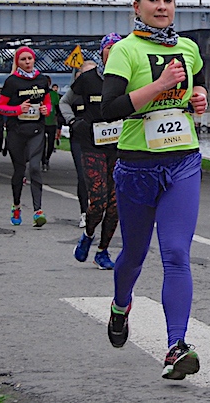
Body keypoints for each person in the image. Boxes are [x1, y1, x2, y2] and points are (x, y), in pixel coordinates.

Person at [100, 0, 208, 381]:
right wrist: (160, 85)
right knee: (134, 254)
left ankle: (176, 346)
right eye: (153, 0)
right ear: (137, 7)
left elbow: (198, 88)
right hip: (137, 165)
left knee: (176, 253)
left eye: (168, 0)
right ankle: (120, 304)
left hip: (183, 160)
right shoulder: (125, 51)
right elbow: (109, 108)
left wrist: (199, 98)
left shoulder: (189, 49)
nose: (162, 7)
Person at [71, 33, 124, 270]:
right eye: (109, 48)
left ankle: (102, 251)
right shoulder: (88, 78)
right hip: (92, 146)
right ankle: (88, 234)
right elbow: (65, 102)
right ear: (102, 52)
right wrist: (74, 122)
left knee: (115, 206)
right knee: (99, 201)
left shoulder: (128, 78)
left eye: (117, 48)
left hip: (119, 148)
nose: (113, 52)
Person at [0, 47, 52, 227]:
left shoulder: (41, 80)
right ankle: (16, 205)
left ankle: (38, 211)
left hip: (36, 129)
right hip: (16, 131)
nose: (27, 62)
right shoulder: (12, 82)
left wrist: (45, 110)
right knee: (19, 171)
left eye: (30, 58)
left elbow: (47, 103)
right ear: (17, 62)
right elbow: (0, 107)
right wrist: (17, 110)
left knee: (35, 167)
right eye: (23, 59)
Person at [59, 85, 90, 226]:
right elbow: (63, 103)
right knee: (82, 175)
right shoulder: (74, 95)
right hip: (78, 138)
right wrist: (71, 120)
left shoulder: (100, 89)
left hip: (98, 138)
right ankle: (84, 212)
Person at [41, 79, 61, 171]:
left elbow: (58, 109)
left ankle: (47, 158)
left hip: (52, 122)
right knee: (41, 143)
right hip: (41, 123)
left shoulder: (54, 94)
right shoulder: (39, 94)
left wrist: (57, 119)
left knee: (51, 144)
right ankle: (43, 160)